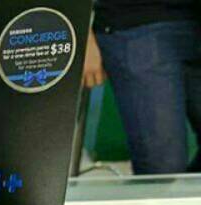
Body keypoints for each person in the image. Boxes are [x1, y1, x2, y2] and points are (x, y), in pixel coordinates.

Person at [83, 1, 201, 174]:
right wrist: (81, 34)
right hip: (136, 22)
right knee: (164, 167)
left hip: (193, 21)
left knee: (164, 168)